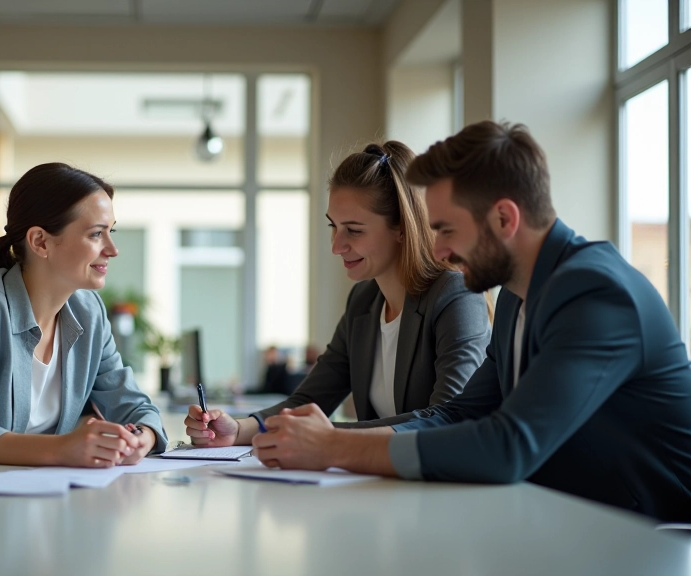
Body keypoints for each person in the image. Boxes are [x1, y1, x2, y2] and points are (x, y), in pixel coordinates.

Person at [252, 121, 691, 522]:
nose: (437, 250)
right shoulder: (518, 296)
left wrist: (333, 445)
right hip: (576, 525)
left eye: (446, 230)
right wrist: (323, 441)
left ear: (504, 218)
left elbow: (509, 445)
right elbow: (458, 414)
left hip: (653, 540)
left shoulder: (596, 293)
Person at [185, 141, 491, 447]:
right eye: (334, 226)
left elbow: (449, 419)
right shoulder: (363, 301)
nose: (336, 246)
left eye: (354, 230)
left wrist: (329, 437)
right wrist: (238, 431)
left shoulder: (456, 295)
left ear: (402, 227)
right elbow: (308, 400)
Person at [0, 163, 167, 473]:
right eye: (95, 234)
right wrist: (63, 449)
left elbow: (134, 406)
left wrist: (141, 438)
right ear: (40, 242)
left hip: (27, 490)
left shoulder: (89, 312)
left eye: (110, 232)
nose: (113, 250)